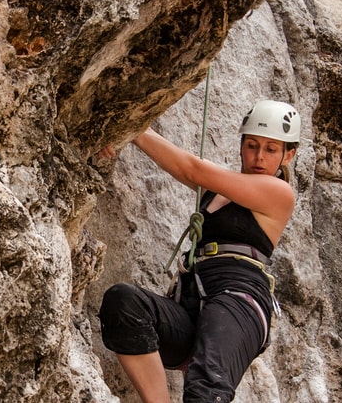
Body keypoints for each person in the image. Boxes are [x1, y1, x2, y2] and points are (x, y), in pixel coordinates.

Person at [97, 100, 301, 403]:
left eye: (271, 149)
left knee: (206, 388)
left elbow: (192, 169)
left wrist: (132, 127)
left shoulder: (279, 193)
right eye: (252, 145)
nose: (259, 157)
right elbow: (177, 166)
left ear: (289, 154)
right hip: (196, 299)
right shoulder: (218, 193)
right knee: (124, 303)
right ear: (241, 145)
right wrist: (123, 131)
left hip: (239, 298)